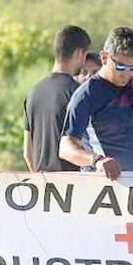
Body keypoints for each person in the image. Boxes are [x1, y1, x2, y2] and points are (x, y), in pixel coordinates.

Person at [59, 26, 133, 180]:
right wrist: (96, 160)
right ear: (104, 58)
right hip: (102, 185)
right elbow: (65, 148)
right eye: (121, 67)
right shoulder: (87, 94)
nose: (127, 74)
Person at [23, 25, 90, 172]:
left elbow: (27, 153)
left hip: (42, 185)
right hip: (72, 187)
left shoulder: (32, 92)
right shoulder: (78, 93)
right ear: (79, 53)